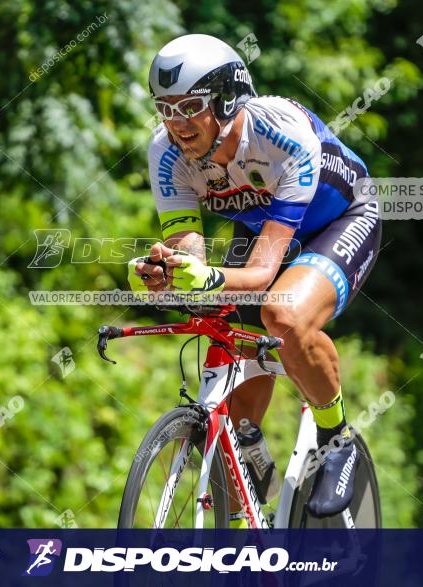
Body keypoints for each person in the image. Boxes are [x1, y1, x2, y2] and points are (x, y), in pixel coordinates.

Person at [127, 34, 381, 524]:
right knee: (221, 325)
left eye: (191, 107)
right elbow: (190, 258)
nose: (176, 124)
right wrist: (166, 275)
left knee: (282, 316)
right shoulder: (165, 153)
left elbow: (264, 272)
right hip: (263, 226)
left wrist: (210, 276)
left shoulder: (279, 132)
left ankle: (337, 438)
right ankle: (250, 463)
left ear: (226, 101)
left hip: (339, 220)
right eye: (165, 108)